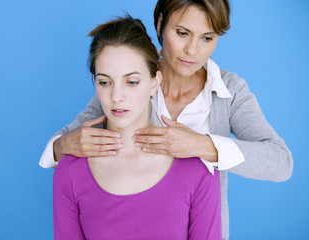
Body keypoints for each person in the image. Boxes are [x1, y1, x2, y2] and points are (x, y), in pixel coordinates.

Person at [43, 0, 293, 239]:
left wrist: (202, 145)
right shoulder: (129, 74)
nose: (192, 50)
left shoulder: (231, 91)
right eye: (182, 33)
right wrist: (62, 145)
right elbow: (66, 142)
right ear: (161, 23)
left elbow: (281, 162)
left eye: (207, 38)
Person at [53, 16, 222, 239]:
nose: (116, 96)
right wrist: (60, 145)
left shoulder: (198, 170)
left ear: (154, 83)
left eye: (131, 82)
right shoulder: (70, 170)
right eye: (105, 82)